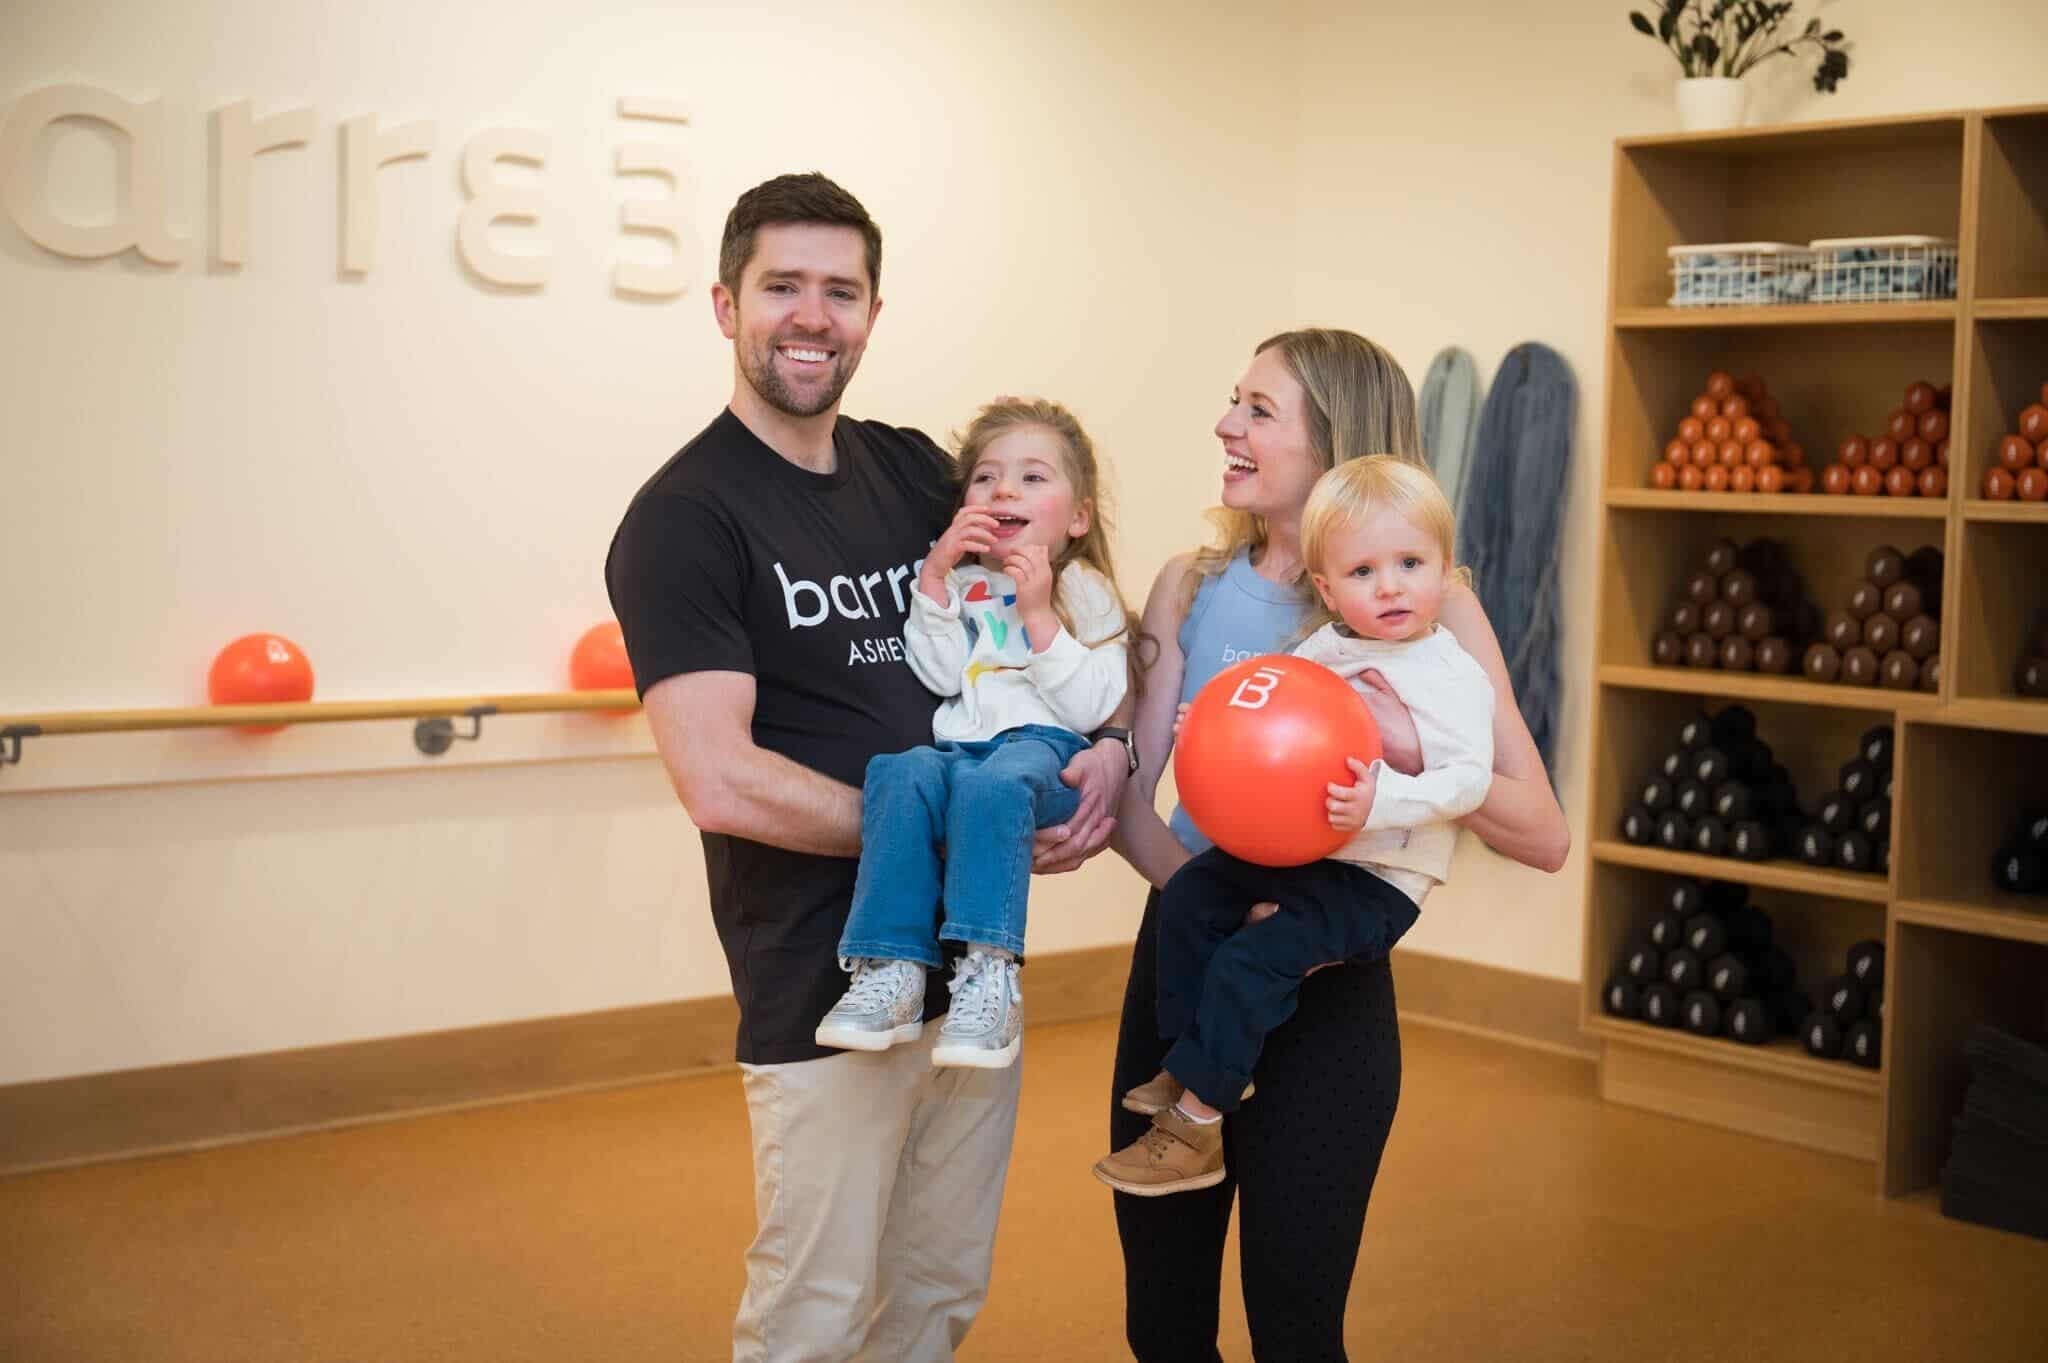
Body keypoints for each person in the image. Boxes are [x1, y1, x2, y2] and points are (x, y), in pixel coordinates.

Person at [604, 173, 1130, 1363]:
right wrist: (947, 829)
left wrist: (1106, 749)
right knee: (817, 1310)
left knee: (936, 1292)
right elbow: (720, 779)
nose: (812, 315)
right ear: (725, 304)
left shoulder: (910, 473)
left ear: (873, 314)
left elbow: (1053, 608)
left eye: (840, 291)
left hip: (975, 965)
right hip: (822, 983)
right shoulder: (684, 518)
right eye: (781, 286)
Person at [1105, 329, 1570, 1361]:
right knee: (1162, 1323)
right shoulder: (1190, 583)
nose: (1225, 425)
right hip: (1192, 944)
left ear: (1334, 441)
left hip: (1326, 987)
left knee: (1296, 1327)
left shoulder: (1433, 606)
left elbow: (1542, 832)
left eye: (1257, 410)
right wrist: (1226, 901)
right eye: (1232, 400)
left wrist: (1409, 752)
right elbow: (1136, 796)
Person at [1093, 454, 1493, 1197]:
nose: (1391, 586)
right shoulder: (1327, 648)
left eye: (1411, 564)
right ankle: (1189, 1060)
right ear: (1328, 588)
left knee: (1255, 958)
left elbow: (1469, 779)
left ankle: (1195, 1129)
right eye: (1364, 572)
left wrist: (1380, 801)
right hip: (1312, 854)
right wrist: (1208, 718)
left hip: (1380, 881)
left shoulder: (1451, 672)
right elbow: (1265, 697)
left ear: (1445, 571)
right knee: (1191, 894)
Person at [817, 398, 1133, 1068]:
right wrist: (934, 580)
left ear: (1078, 517)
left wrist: (1039, 614)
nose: (1004, 490)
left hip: (1045, 753)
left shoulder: (1083, 587)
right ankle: (892, 966)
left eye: (1032, 477)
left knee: (997, 783)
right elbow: (938, 673)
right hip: (963, 750)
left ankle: (990, 969)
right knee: (898, 771)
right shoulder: (966, 585)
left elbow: (1090, 705)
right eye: (986, 477)